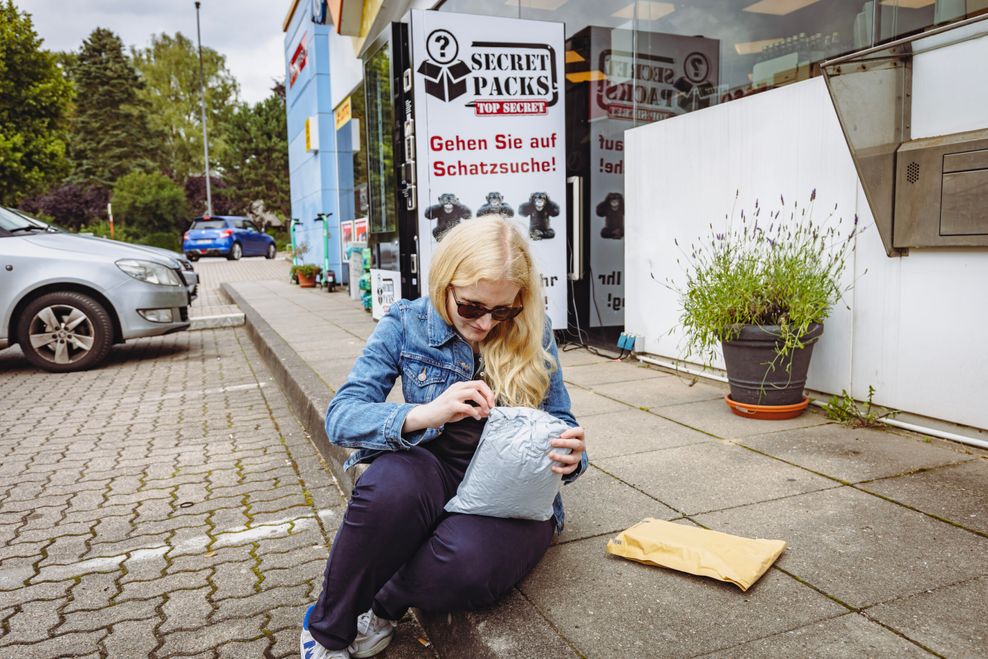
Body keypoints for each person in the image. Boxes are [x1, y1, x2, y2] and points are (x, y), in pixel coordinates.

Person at [300, 218, 587, 659]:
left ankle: (383, 602)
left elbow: (561, 418)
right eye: (472, 307)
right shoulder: (406, 322)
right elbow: (342, 417)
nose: (487, 323)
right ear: (445, 282)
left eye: (503, 311)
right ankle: (328, 632)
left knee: (465, 569)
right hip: (430, 465)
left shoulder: (535, 329)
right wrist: (425, 413)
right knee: (386, 490)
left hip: (506, 492)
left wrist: (573, 456)